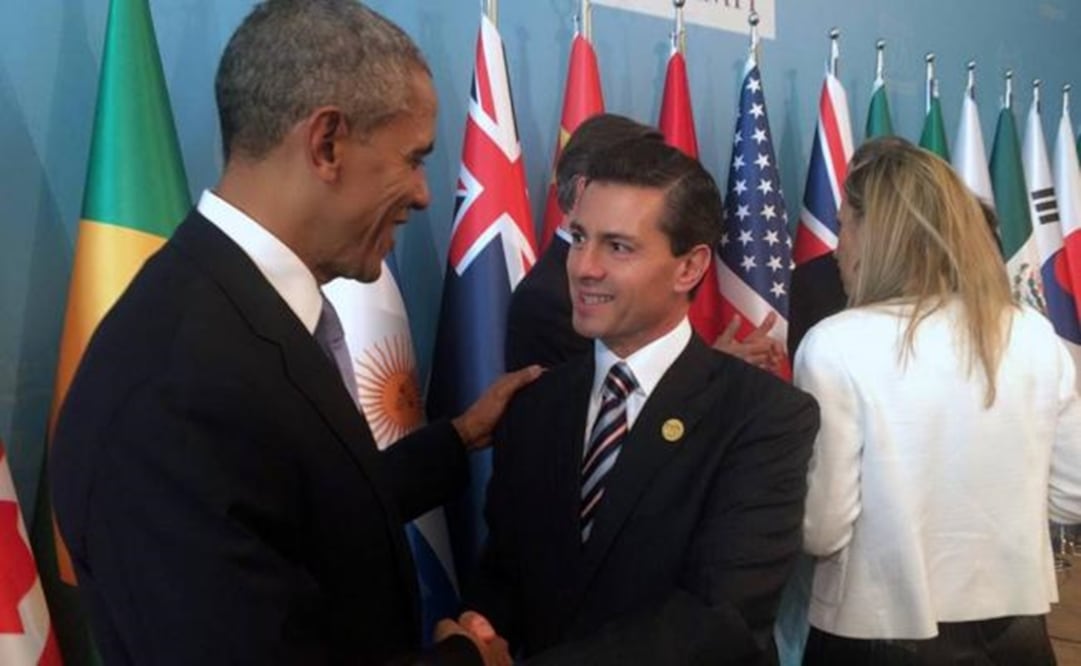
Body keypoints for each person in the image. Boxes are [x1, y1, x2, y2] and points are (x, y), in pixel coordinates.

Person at [49, 2, 537, 665]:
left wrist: (457, 439)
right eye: (413, 158)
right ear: (326, 144)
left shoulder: (235, 308)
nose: (424, 194)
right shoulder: (177, 388)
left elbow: (298, 506)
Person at [463, 138, 820, 664]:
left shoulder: (764, 416)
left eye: (618, 247)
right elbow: (504, 580)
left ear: (690, 268)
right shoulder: (535, 404)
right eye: (579, 237)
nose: (583, 267)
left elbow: (720, 617)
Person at [795, 137, 1081, 664]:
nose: (838, 246)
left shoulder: (835, 344)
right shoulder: (1035, 334)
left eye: (844, 225)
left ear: (875, 232)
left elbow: (822, 526)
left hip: (875, 638)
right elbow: (1072, 496)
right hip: (1017, 636)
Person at [505, 113, 783, 374]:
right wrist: (712, 371)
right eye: (635, 169)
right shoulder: (544, 299)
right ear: (583, 187)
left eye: (619, 248)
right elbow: (605, 406)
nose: (585, 270)